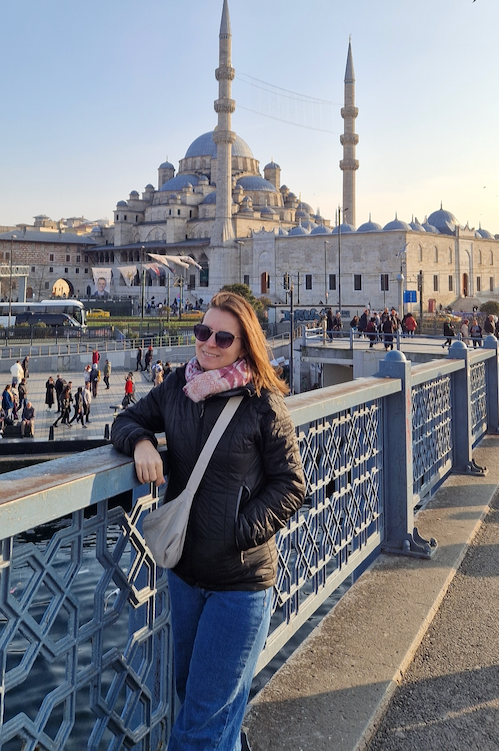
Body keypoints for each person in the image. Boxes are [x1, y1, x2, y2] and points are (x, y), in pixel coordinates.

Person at [111, 290, 305, 751]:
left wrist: (237, 532)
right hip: (185, 575)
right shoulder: (180, 387)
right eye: (203, 332)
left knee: (201, 725)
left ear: (244, 345)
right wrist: (140, 442)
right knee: (201, 706)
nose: (209, 343)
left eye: (223, 337)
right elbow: (125, 419)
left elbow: (291, 485)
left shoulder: (262, 403)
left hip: (240, 583)